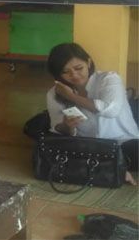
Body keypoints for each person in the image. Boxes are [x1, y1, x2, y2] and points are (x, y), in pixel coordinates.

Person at [45, 42, 139, 184]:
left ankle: (111, 166)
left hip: (123, 141)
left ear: (88, 62)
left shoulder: (109, 79)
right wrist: (67, 126)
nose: (74, 75)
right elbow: (56, 127)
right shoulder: (54, 93)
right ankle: (112, 167)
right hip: (86, 147)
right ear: (58, 74)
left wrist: (72, 96)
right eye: (66, 72)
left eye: (78, 68)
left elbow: (110, 110)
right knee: (54, 154)